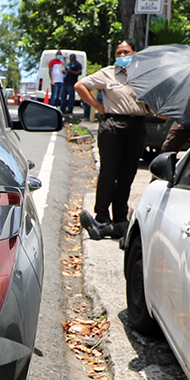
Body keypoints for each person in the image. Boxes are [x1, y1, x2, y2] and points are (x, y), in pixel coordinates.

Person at [74, 41, 148, 240]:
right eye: (119, 52)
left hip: (137, 126)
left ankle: (119, 217)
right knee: (109, 172)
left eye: (126, 52)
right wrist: (97, 106)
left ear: (135, 53)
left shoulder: (143, 74)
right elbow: (80, 86)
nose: (122, 54)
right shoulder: (108, 73)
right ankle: (101, 216)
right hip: (113, 125)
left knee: (128, 174)